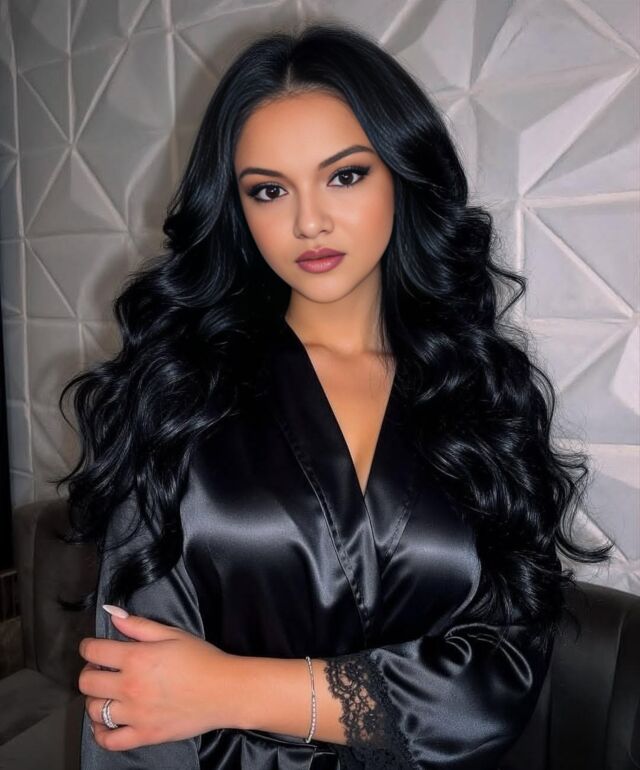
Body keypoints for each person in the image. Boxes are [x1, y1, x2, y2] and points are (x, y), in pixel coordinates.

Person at [56, 20, 613, 770]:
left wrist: (231, 688)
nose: (308, 221)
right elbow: (136, 700)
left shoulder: (485, 393)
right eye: (268, 190)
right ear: (237, 209)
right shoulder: (178, 388)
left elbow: (497, 684)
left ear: (402, 176)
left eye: (345, 176)